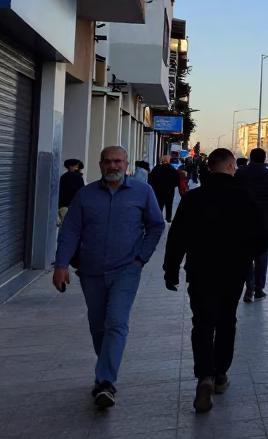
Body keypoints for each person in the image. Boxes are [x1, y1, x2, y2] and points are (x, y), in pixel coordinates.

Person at [53, 146, 165, 408]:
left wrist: (141, 258)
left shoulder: (142, 191)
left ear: (126, 164)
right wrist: (61, 265)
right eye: (108, 161)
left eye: (118, 161)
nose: (113, 166)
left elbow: (156, 225)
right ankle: (105, 368)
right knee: (98, 325)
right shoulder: (85, 195)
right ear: (100, 164)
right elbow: (70, 231)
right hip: (90, 271)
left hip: (126, 269)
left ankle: (105, 382)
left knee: (116, 322)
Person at [164, 148, 264, 412]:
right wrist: (247, 256)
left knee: (203, 323)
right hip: (233, 272)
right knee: (226, 320)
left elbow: (177, 236)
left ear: (209, 168)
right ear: (232, 167)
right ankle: (220, 375)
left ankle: (204, 375)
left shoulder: (193, 198)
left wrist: (170, 269)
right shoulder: (244, 197)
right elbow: (262, 235)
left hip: (201, 271)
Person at [235, 147, 268, 302]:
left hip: (243, 220)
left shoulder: (240, 174)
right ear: (263, 159)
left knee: (245, 254)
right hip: (266, 220)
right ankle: (258, 288)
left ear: (250, 158)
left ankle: (249, 283)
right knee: (262, 255)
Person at [148, 156, 181, 222]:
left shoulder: (156, 169)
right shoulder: (173, 170)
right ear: (168, 161)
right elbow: (177, 182)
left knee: (159, 206)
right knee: (169, 206)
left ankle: (158, 219)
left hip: (158, 191)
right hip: (169, 192)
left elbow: (150, 180)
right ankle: (168, 219)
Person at [58, 158, 85, 224]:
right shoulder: (77, 177)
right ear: (71, 166)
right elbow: (83, 192)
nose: (77, 168)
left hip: (63, 207)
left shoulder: (63, 177)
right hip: (73, 207)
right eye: (76, 166)